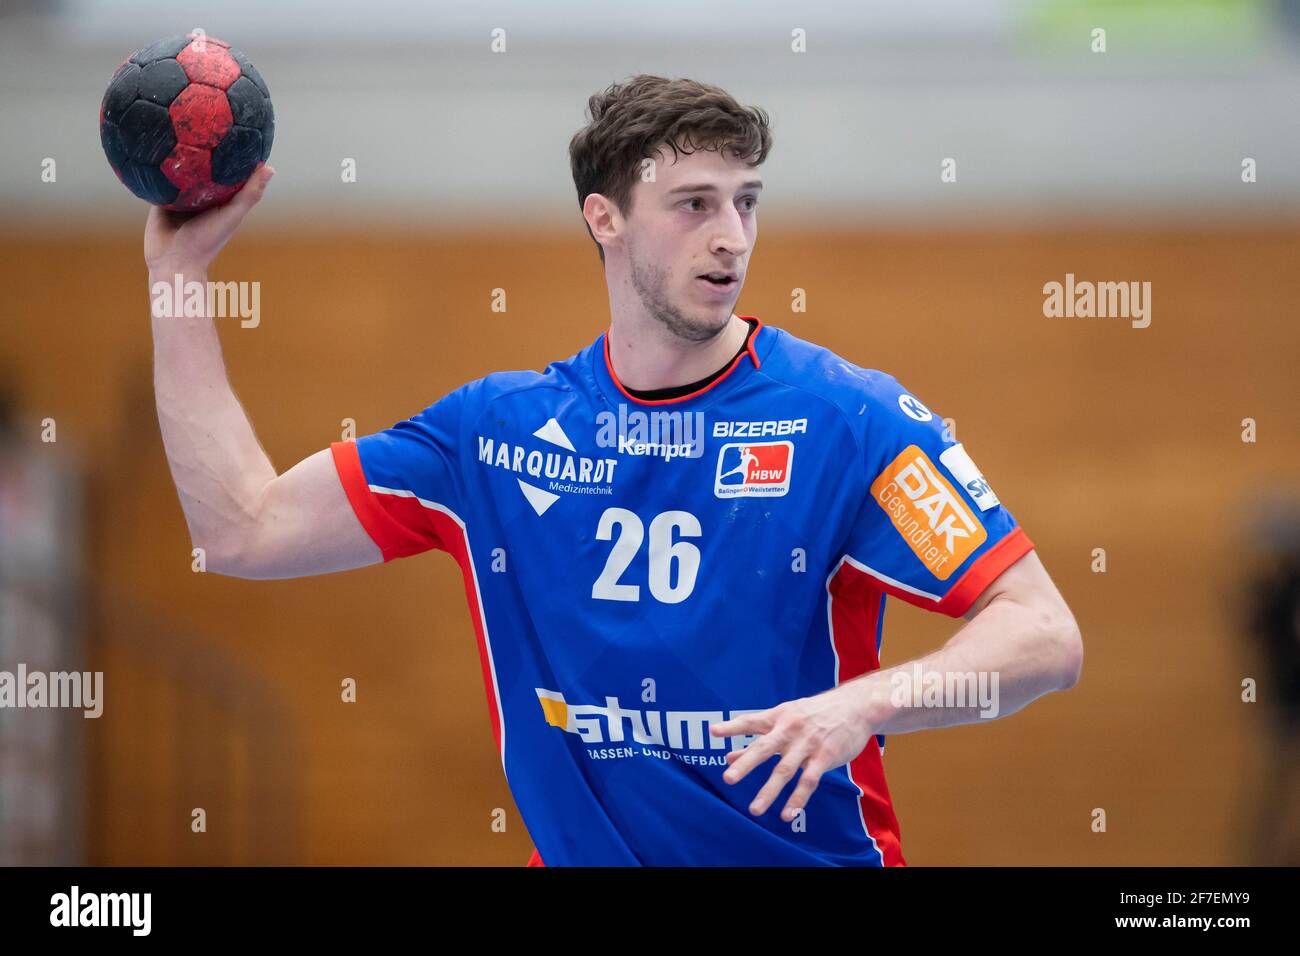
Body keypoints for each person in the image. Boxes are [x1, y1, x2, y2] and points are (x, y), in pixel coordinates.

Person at [145, 74, 1082, 866]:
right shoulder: (493, 435)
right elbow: (240, 528)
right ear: (606, 218)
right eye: (694, 205)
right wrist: (178, 281)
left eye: (746, 201)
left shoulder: (846, 419)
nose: (733, 237)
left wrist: (862, 706)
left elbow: (1043, 635)